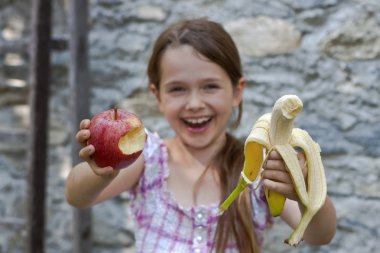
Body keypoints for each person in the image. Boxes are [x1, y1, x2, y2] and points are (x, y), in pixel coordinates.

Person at [65, 18, 336, 252]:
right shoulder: (146, 158)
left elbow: (319, 235)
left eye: (210, 87)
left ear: (237, 91)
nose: (194, 103)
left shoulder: (258, 169)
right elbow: (77, 196)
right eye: (178, 89)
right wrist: (100, 169)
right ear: (157, 96)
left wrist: (303, 188)